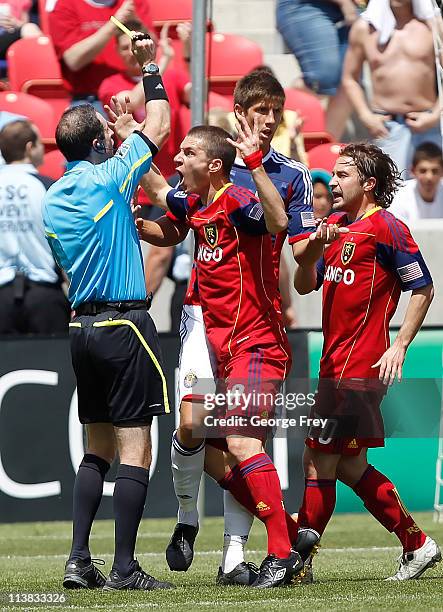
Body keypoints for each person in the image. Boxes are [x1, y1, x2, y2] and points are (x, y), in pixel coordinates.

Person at [145, 70, 314, 585]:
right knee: (197, 430)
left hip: (255, 331)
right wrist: (132, 140)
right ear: (240, 112)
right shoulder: (202, 191)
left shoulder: (263, 183)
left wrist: (314, 254)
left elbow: (287, 231)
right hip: (206, 327)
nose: (268, 120)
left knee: (244, 440)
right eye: (259, 110)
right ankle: (199, 522)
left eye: (275, 113)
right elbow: (167, 205)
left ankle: (247, 554)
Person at [42, 33, 173, 591]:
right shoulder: (110, 175)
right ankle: (123, 567)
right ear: (98, 142)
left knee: (95, 446)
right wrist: (149, 70)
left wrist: (115, 136)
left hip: (80, 326)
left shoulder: (52, 196)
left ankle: (78, 559)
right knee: (135, 445)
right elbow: (161, 125)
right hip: (123, 323)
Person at [293, 142, 440, 581]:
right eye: (332, 176)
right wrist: (316, 245)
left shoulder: (387, 228)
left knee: (318, 461)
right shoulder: (335, 226)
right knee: (349, 465)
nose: (332, 183)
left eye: (341, 175)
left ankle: (298, 562)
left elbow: (424, 288)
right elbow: (303, 284)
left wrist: (400, 345)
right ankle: (417, 544)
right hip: (333, 365)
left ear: (368, 184)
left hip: (358, 369)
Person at [342, 0, 442, 175]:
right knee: (391, 195)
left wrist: (436, 114)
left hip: (428, 124)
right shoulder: (365, 29)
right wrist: (365, 116)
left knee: (438, 195)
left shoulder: (433, 25)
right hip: (387, 127)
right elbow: (350, 78)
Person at [0, 119, 70, 334]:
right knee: (53, 365)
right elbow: (65, 244)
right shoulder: (49, 188)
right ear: (30, 148)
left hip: (1, 296)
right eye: (40, 143)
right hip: (44, 296)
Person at [98, 20, 191, 180]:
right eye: (124, 48)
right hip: (133, 176)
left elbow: (196, 93)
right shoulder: (109, 84)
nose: (131, 52)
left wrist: (189, 51)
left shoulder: (171, 76)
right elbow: (132, 101)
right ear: (117, 51)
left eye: (133, 46)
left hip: (169, 176)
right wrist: (156, 63)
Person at [275, 0, 361, 140]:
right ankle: (280, 135)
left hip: (356, 7)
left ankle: (327, 149)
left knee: (350, 77)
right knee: (323, 78)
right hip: (305, 5)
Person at [49, 0, 152, 111]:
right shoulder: (66, 5)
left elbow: (153, 48)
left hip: (140, 90)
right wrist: (114, 24)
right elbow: (73, 60)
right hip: (91, 99)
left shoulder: (134, 3)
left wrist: (136, 22)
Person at [390, 142, 443, 222]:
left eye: (435, 171)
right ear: (413, 171)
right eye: (423, 171)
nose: (429, 177)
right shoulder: (399, 195)